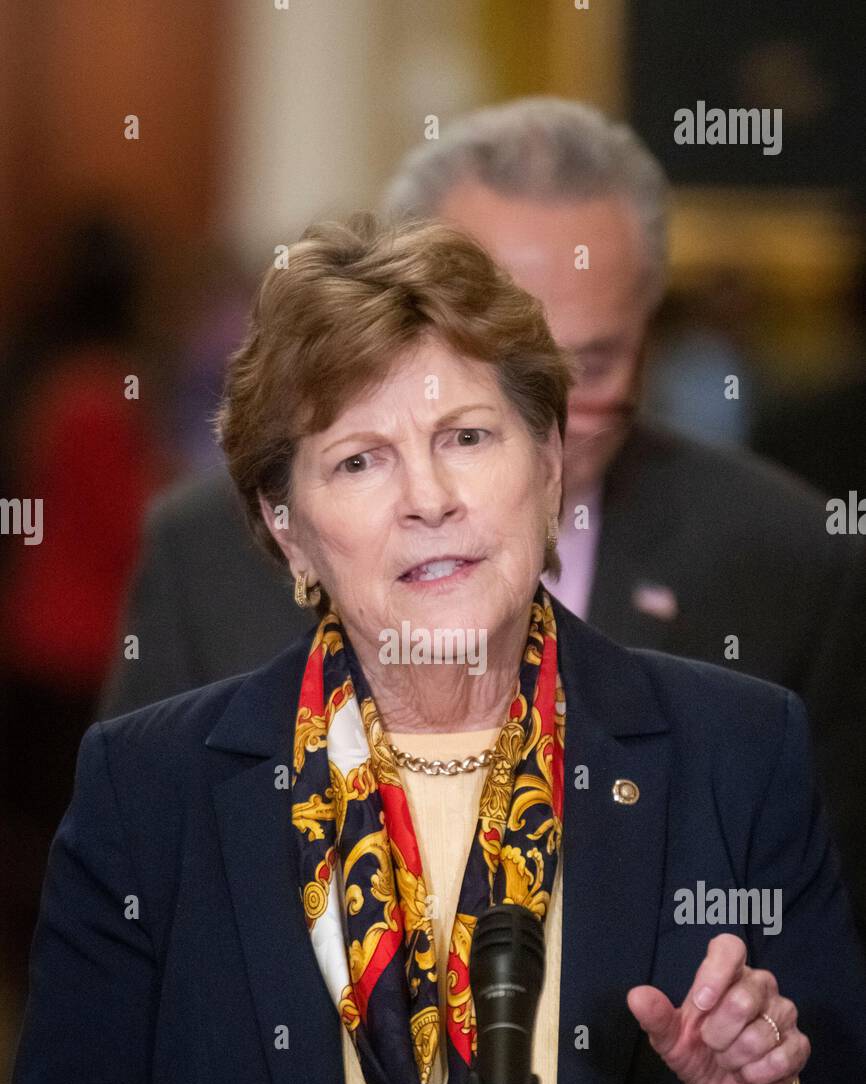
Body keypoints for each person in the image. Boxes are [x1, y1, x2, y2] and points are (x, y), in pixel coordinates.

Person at [1, 215, 865, 1084]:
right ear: (286, 527)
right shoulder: (150, 791)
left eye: (466, 436)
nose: (427, 498)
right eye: (359, 458)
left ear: (548, 463)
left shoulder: (736, 752)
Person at [97, 98, 866, 941]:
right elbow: (137, 920)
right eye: (493, 357)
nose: (552, 406)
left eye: (591, 362)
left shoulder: (792, 561)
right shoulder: (203, 549)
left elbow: (822, 966)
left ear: (651, 335)